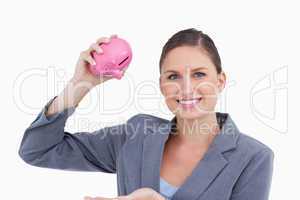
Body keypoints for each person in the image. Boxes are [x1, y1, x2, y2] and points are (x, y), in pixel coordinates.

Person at [18, 28, 274, 200]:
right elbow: (38, 151)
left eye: (199, 74)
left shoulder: (253, 158)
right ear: (162, 85)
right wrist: (80, 83)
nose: (186, 88)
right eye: (173, 76)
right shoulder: (136, 135)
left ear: (220, 81)